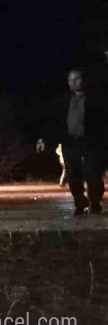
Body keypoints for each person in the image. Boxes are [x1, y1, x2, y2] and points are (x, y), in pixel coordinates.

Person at [55, 68, 108, 215]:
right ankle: (80, 203)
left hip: (90, 142)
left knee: (93, 172)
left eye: (76, 79)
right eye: (70, 80)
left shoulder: (96, 100)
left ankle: (95, 201)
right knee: (73, 174)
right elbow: (56, 120)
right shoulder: (64, 100)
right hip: (70, 142)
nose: (73, 82)